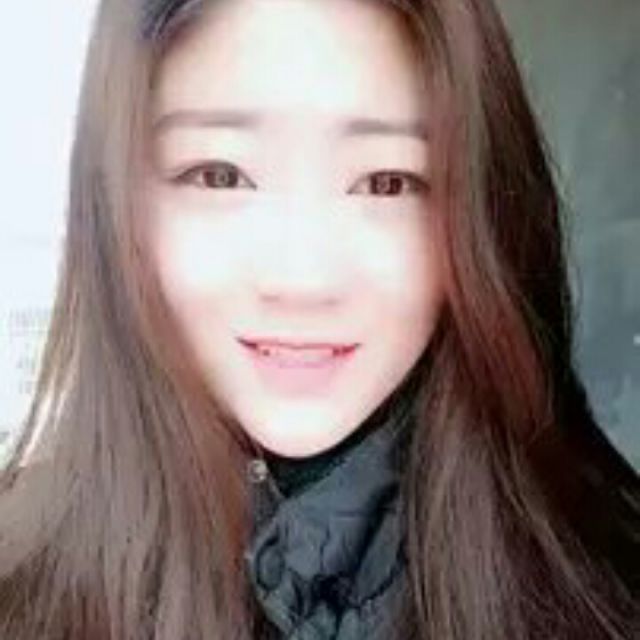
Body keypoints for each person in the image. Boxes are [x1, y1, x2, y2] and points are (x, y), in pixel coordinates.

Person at [0, 0, 638, 638]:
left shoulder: (603, 586)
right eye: (220, 176)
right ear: (116, 201)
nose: (301, 281)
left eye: (386, 182)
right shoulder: (20, 587)